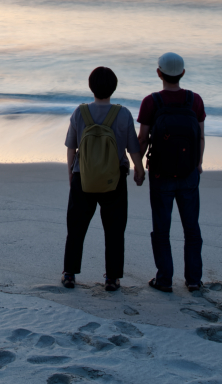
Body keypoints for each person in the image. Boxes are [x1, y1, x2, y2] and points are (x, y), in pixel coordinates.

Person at [62, 66, 145, 292]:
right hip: (114, 179)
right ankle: (112, 278)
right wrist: (139, 168)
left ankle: (69, 274)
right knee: (115, 230)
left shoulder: (80, 113)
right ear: (114, 88)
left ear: (91, 87)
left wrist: (71, 172)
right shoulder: (123, 114)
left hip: (83, 177)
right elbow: (133, 148)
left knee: (76, 227)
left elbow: (71, 147)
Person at [137, 51, 206, 293]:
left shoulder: (151, 102)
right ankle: (194, 280)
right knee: (191, 229)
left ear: (159, 73)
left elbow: (143, 139)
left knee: (161, 229)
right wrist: (198, 163)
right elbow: (200, 136)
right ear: (183, 74)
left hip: (160, 175)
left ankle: (164, 279)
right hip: (188, 174)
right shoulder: (194, 100)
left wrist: (137, 166)